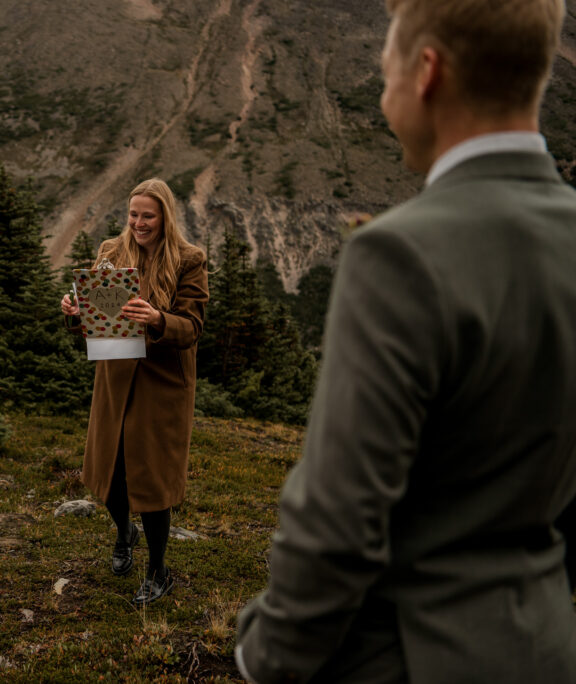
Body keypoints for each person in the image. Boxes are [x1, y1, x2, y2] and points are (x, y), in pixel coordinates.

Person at [235, 1, 576, 682]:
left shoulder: (398, 254)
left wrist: (263, 656)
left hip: (406, 655)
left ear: (427, 72)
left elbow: (339, 516)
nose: (384, 96)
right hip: (542, 646)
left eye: (385, 70)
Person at [61, 178, 208, 605]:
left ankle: (159, 569)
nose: (138, 223)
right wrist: (74, 311)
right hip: (114, 373)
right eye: (133, 214)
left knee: (152, 475)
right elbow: (94, 315)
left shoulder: (188, 260)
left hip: (161, 383)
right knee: (111, 469)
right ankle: (124, 532)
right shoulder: (111, 251)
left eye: (148, 215)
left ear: (164, 217)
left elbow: (193, 327)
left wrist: (159, 318)